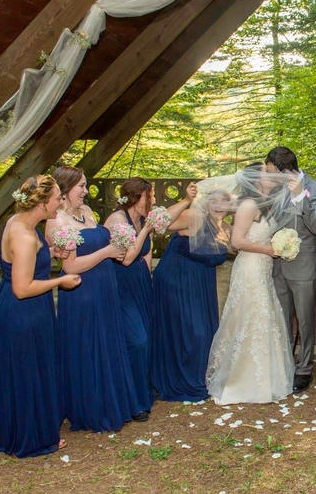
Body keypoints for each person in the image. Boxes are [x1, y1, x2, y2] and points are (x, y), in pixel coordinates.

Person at [47, 166, 144, 432]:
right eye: (81, 186)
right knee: (88, 348)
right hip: (82, 294)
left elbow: (104, 245)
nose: (86, 191)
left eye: (86, 185)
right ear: (65, 190)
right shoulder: (56, 223)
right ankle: (90, 408)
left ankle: (115, 403)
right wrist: (108, 251)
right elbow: (70, 267)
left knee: (108, 344)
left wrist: (120, 246)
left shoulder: (88, 213)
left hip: (105, 288)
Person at [0, 175, 81, 457]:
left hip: (20, 308)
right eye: (58, 198)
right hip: (24, 311)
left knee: (26, 370)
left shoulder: (19, 222)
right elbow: (22, 287)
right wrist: (60, 281)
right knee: (29, 371)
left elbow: (24, 263)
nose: (61, 202)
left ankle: (16, 431)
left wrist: (53, 251)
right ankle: (32, 438)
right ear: (42, 203)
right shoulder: (26, 236)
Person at [206, 164, 295, 404]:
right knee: (251, 316)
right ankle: (242, 380)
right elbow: (237, 242)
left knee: (263, 317)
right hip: (250, 267)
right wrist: (269, 249)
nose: (270, 175)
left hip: (263, 267)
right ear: (256, 180)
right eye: (265, 173)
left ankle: (266, 378)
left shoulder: (265, 203)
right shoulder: (248, 205)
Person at [150, 181, 229, 402]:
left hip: (200, 283)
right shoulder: (194, 216)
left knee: (206, 331)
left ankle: (197, 377)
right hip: (177, 279)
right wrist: (185, 200)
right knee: (194, 332)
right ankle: (180, 380)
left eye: (225, 202)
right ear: (207, 201)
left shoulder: (223, 227)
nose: (220, 206)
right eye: (216, 201)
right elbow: (160, 223)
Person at [265, 146, 316, 392]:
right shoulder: (275, 189)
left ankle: (304, 367)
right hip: (278, 264)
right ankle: (284, 363)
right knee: (281, 318)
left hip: (302, 267)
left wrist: (302, 197)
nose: (270, 177)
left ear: (283, 170)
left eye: (272, 172)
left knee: (304, 319)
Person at [104, 177, 156, 418]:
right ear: (138, 197)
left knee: (147, 337)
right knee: (137, 340)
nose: (153, 200)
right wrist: (145, 230)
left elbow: (147, 253)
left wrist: (147, 278)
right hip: (121, 285)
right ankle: (132, 399)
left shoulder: (144, 220)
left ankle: (143, 391)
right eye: (150, 196)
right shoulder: (117, 220)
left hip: (141, 283)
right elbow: (125, 258)